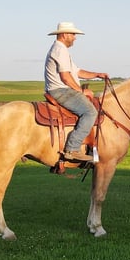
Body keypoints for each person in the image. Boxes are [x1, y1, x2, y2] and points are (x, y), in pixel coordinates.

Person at [44, 21, 109, 162]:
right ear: (64, 34)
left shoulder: (61, 50)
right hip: (60, 91)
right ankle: (72, 149)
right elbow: (66, 77)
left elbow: (77, 72)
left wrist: (97, 74)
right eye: (73, 34)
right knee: (90, 112)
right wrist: (81, 91)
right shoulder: (60, 50)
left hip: (61, 89)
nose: (75, 38)